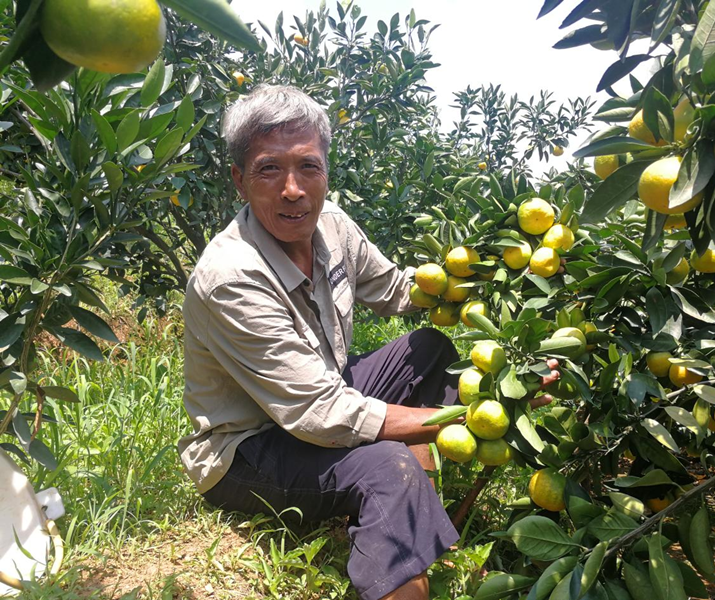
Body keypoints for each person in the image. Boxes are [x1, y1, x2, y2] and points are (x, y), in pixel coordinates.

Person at [178, 84, 559, 600]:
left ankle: (414, 512)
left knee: (427, 351)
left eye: (308, 166)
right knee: (388, 462)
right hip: (248, 450)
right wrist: (477, 415)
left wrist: (499, 280)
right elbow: (320, 412)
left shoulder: (332, 225)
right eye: (270, 169)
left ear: (326, 172)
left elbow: (400, 292)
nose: (293, 189)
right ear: (240, 181)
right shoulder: (231, 277)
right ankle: (402, 569)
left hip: (318, 393)